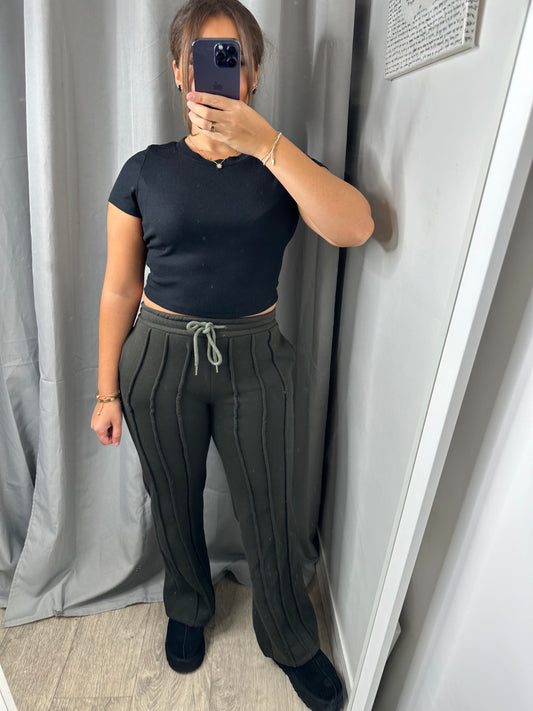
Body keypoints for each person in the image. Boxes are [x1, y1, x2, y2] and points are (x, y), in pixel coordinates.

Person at [91, 1, 373, 709]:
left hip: (256, 362)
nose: (215, 75)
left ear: (253, 72)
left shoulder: (283, 164)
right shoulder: (145, 170)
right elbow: (119, 287)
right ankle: (188, 604)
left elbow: (355, 226)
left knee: (270, 508)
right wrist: (105, 391)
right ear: (177, 71)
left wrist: (266, 143)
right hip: (157, 358)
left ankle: (290, 637)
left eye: (232, 58)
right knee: (172, 496)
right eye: (201, 58)